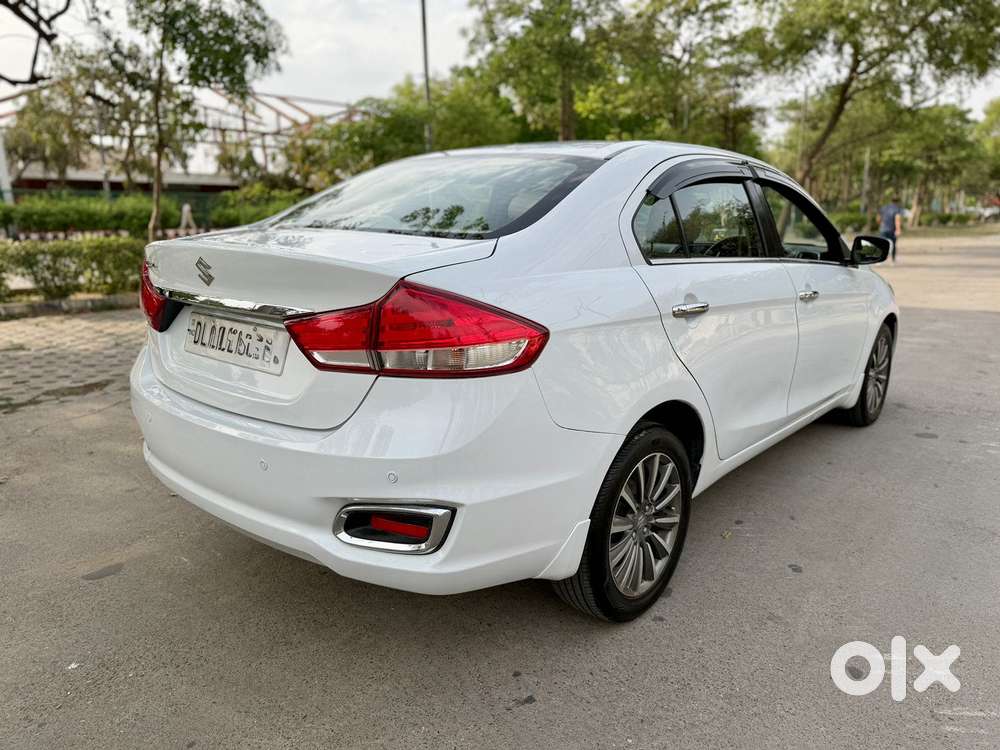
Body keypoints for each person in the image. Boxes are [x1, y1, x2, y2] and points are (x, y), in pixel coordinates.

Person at [879, 196, 903, 262]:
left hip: (883, 229)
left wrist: (881, 225)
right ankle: (893, 259)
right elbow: (897, 219)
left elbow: (878, 218)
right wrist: (898, 229)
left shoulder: (884, 208)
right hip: (892, 230)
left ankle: (881, 259)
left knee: (883, 244)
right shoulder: (897, 209)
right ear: (898, 202)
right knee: (893, 244)